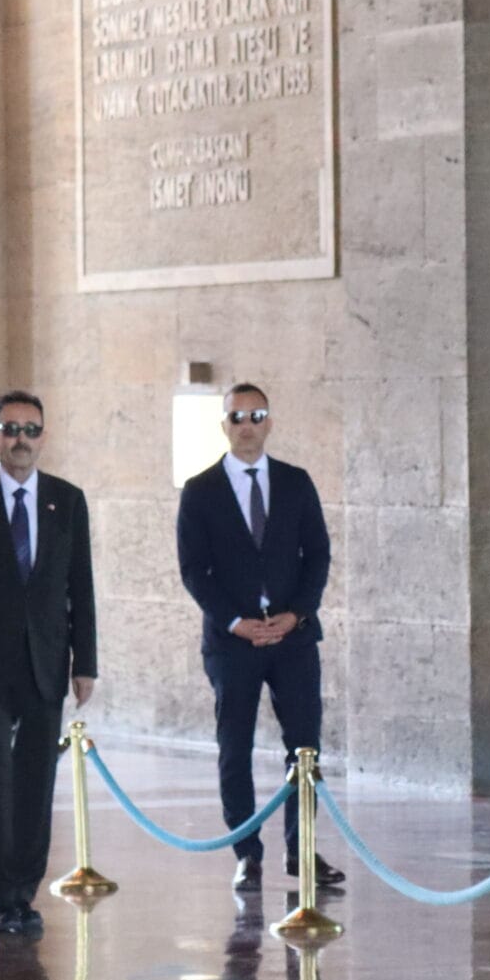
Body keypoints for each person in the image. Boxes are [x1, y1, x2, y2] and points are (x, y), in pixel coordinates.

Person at [174, 382, 342, 896]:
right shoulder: (200, 491)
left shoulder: (295, 482)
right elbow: (194, 569)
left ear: (269, 423)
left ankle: (301, 848)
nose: (246, 426)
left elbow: (317, 554)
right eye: (237, 417)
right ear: (224, 425)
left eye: (256, 416)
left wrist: (296, 614)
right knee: (235, 748)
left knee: (304, 747)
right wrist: (234, 621)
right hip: (233, 642)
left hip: (293, 637)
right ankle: (247, 852)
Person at [0, 390, 99, 938]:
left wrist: (85, 661)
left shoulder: (67, 500)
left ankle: (23, 894)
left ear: (43, 437)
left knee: (36, 783)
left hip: (45, 663)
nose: (21, 440)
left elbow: (80, 584)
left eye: (31, 430)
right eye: (11, 429)